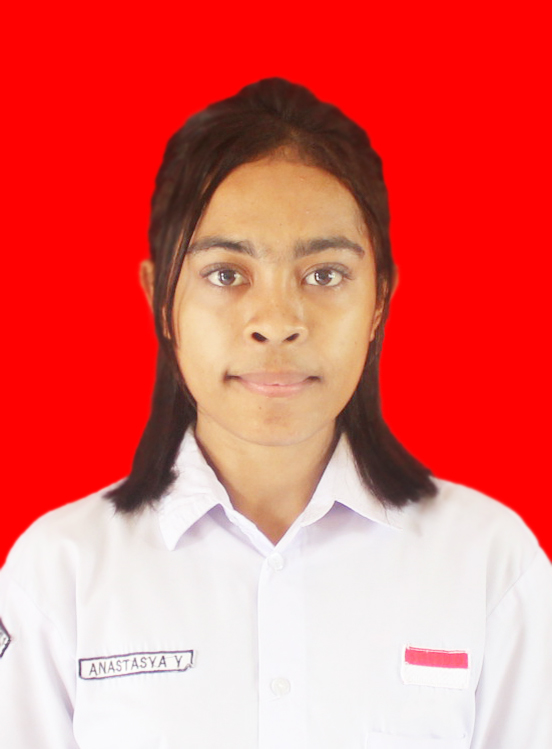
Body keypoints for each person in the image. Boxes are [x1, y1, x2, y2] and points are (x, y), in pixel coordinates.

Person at [0, 78, 551, 749]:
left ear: (379, 298)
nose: (277, 322)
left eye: (325, 274)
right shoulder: (58, 573)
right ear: (160, 299)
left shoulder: (491, 564)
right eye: (226, 274)